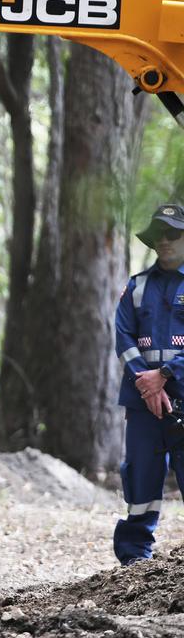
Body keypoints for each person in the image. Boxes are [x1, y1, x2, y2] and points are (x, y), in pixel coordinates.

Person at [113, 203, 184, 565]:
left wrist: (166, 376)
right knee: (141, 480)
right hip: (143, 405)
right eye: (159, 234)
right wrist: (147, 383)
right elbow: (122, 336)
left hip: (181, 400)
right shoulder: (136, 286)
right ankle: (134, 560)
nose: (165, 240)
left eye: (173, 233)